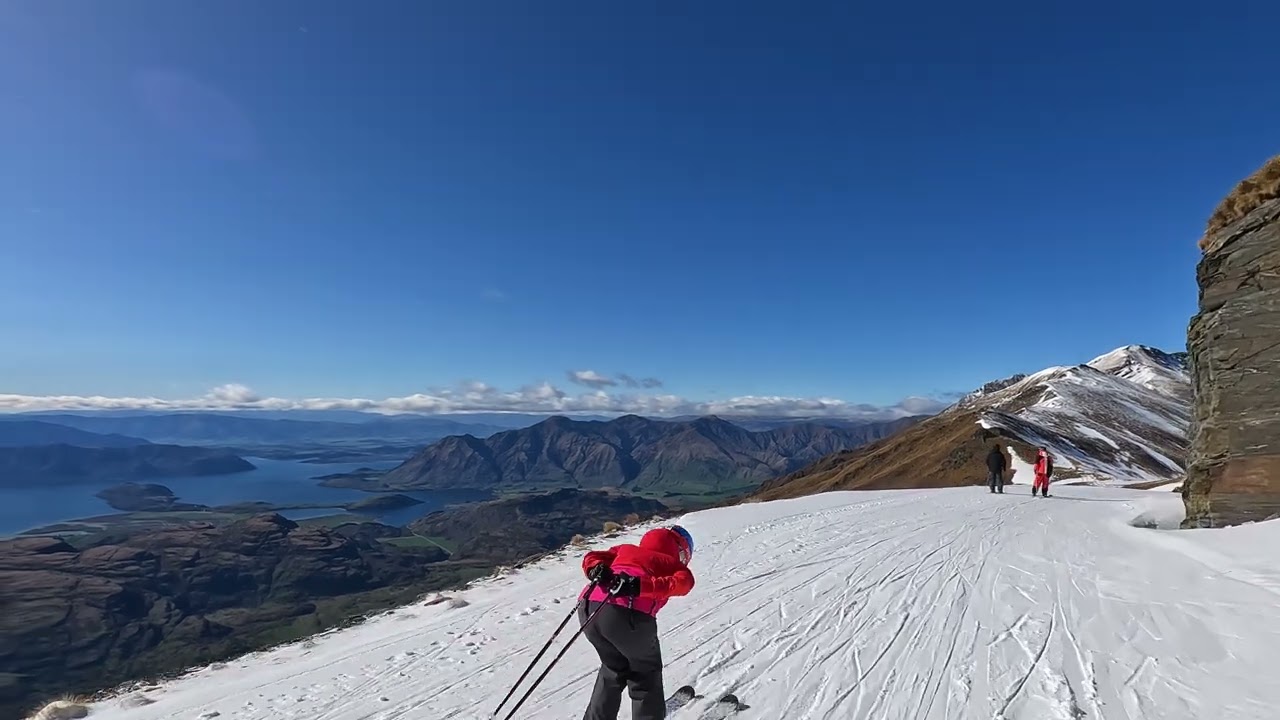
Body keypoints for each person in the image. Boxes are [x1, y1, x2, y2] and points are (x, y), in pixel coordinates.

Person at [578, 525, 696, 720]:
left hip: (588, 608)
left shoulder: (625, 550)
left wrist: (595, 569)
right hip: (628, 615)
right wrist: (639, 586)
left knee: (612, 667)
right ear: (680, 550)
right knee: (645, 673)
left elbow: (591, 557)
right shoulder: (672, 563)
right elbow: (684, 583)